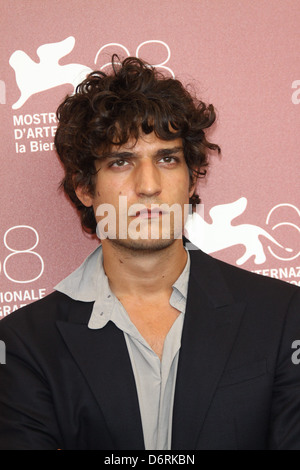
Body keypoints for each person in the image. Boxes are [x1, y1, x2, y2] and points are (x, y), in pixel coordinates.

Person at [0, 56, 300, 451]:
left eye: (167, 159)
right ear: (85, 189)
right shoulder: (25, 343)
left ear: (192, 180)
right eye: (121, 161)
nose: (149, 185)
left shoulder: (280, 315)